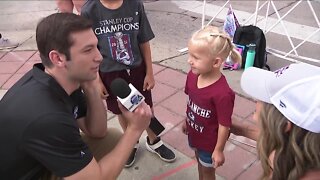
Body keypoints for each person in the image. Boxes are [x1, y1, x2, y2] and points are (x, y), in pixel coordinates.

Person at [0, 13, 152, 179]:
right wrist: (135, 130)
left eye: (96, 46)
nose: (99, 57)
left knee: (111, 138)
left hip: (40, 161)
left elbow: (97, 132)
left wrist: (91, 87)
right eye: (88, 50)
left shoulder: (58, 79)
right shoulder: (48, 116)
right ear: (57, 58)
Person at [81, 0, 176, 167]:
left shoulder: (135, 5)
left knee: (146, 108)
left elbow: (144, 41)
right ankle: (131, 143)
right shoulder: (89, 10)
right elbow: (89, 48)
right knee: (121, 110)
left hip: (137, 68)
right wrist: (96, 79)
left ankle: (154, 140)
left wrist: (150, 72)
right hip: (109, 72)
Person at [232, 63, 320, 179]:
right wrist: (240, 128)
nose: (256, 100)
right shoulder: (305, 148)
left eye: (262, 98)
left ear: (284, 126)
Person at [182, 25, 241, 179]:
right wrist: (186, 120)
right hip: (195, 134)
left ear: (216, 62)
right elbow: (191, 101)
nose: (189, 61)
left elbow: (224, 125)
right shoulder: (192, 76)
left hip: (210, 144)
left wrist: (219, 150)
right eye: (190, 55)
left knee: (208, 172)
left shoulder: (223, 94)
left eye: (195, 57)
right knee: (199, 162)